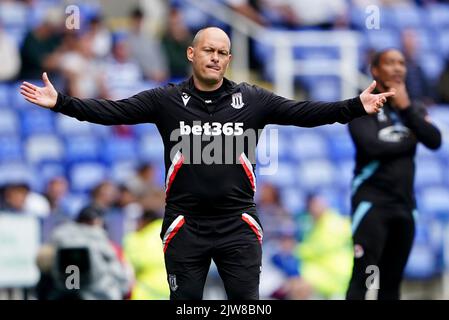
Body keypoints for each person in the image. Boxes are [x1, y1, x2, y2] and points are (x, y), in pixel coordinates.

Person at [20, 26, 394, 300]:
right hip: (184, 226)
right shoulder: (165, 100)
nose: (215, 57)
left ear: (229, 60)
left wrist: (354, 106)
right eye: (208, 50)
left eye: (222, 52)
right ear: (191, 54)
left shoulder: (253, 100)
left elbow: (305, 112)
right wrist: (62, 102)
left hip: (239, 225)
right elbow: (111, 110)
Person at [346, 49, 442, 300]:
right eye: (390, 63)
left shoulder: (414, 109)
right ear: (375, 70)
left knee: (392, 282)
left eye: (401, 63)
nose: (398, 68)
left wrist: (407, 108)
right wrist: (410, 140)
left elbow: (434, 140)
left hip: (404, 206)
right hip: (372, 204)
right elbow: (371, 146)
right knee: (364, 276)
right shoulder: (362, 107)